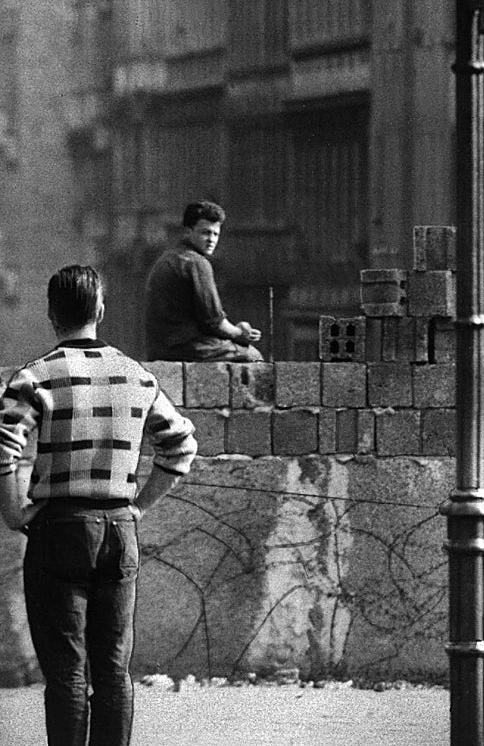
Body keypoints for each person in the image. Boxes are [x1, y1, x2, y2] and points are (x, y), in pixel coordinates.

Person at [0, 265, 198, 746]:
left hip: (58, 529)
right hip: (118, 530)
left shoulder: (35, 376)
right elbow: (181, 447)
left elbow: (4, 444)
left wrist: (12, 512)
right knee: (113, 671)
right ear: (101, 311)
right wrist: (139, 508)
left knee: (67, 673)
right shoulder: (138, 376)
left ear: (51, 315)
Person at [144, 200, 264, 362]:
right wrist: (240, 333)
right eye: (205, 233)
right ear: (188, 232)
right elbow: (214, 322)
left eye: (216, 234)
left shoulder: (167, 258)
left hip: (159, 349)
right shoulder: (196, 262)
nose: (211, 240)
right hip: (187, 348)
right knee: (253, 356)